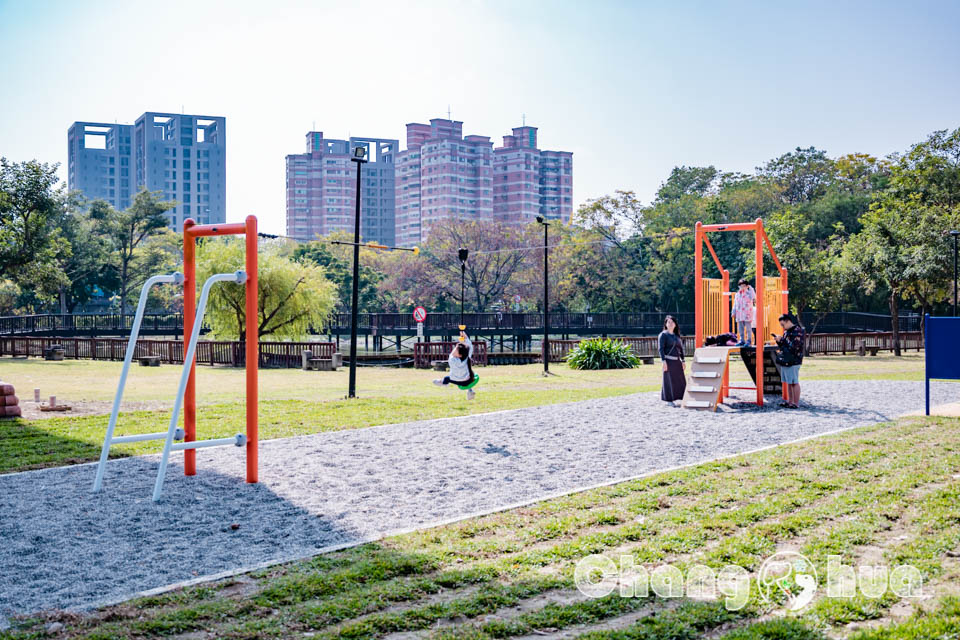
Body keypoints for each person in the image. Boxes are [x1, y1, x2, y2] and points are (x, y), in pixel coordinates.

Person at [433, 330, 479, 400]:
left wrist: (460, 342)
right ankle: (470, 391)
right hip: (467, 381)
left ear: (460, 355)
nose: (454, 349)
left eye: (455, 349)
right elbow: (470, 347)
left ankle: (443, 383)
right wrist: (465, 338)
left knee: (447, 378)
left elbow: (451, 354)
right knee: (473, 375)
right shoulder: (467, 358)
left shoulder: (452, 360)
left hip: (457, 381)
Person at [773, 313, 804, 409]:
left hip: (794, 360)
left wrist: (782, 340)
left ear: (788, 321)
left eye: (783, 325)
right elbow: (784, 346)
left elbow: (793, 347)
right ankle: (790, 402)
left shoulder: (797, 331)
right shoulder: (787, 332)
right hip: (786, 359)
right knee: (788, 382)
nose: (782, 327)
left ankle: (796, 403)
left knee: (794, 382)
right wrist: (779, 340)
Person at [659, 315, 686, 405]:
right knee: (668, 380)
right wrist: (663, 362)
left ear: (675, 324)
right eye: (668, 322)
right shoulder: (663, 335)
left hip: (677, 362)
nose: (670, 324)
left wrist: (683, 361)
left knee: (680, 380)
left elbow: (681, 349)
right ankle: (669, 400)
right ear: (666, 324)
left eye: (672, 322)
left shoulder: (677, 336)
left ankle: (681, 397)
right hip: (668, 361)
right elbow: (661, 349)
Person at [731, 279, 757, 346]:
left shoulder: (749, 293)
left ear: (747, 286)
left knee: (748, 329)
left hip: (747, 314)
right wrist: (733, 312)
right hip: (739, 314)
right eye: (741, 286)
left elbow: (754, 297)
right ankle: (742, 340)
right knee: (740, 329)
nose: (742, 287)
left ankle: (749, 341)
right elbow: (735, 304)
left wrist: (750, 288)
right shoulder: (737, 294)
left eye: (744, 285)